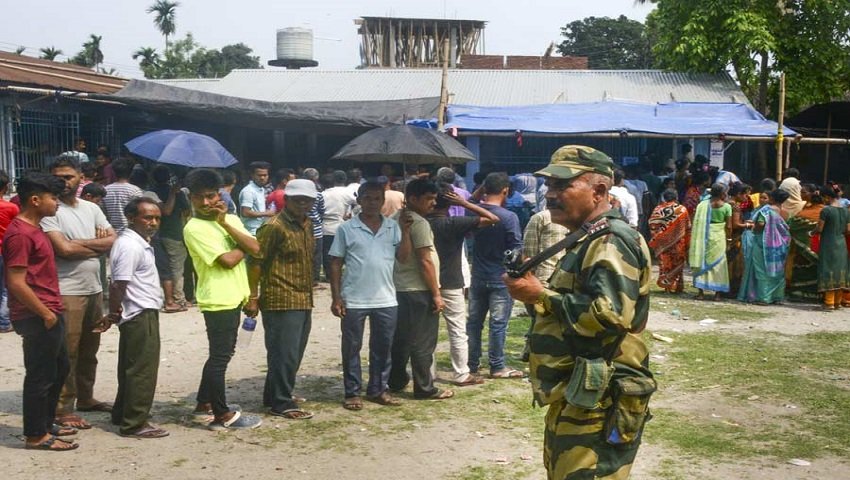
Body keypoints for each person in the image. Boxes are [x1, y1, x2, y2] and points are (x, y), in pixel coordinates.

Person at [503, 145, 654, 480]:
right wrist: (535, 295)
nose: (549, 194)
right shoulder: (587, 238)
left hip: (600, 400)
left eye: (562, 185)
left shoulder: (611, 241)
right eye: (548, 185)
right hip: (580, 393)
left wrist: (541, 294)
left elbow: (611, 316)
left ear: (598, 191)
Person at [183, 168, 262, 430]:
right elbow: (229, 260)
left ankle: (203, 403)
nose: (205, 203)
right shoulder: (193, 228)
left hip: (235, 296)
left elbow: (257, 248)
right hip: (217, 299)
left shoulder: (229, 219)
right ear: (191, 198)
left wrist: (225, 224)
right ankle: (222, 414)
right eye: (199, 197)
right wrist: (243, 245)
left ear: (219, 195)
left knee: (221, 354)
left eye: (210, 196)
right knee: (220, 357)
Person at [4, 173, 79, 450]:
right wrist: (45, 313)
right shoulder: (20, 234)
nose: (57, 203)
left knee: (59, 368)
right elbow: (15, 282)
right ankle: (36, 435)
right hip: (35, 314)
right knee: (41, 375)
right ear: (35, 200)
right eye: (53, 198)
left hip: (49, 309)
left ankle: (46, 424)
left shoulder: (37, 229)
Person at [42, 155, 116, 429]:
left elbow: (113, 240)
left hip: (94, 288)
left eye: (68, 177)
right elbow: (63, 250)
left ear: (81, 178)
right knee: (67, 351)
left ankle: (86, 397)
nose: (63, 182)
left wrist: (81, 244)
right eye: (58, 177)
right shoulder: (50, 210)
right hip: (67, 290)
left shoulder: (91, 208)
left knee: (89, 349)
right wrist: (96, 244)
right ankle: (63, 408)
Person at [329, 182, 413, 410]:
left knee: (383, 347)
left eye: (377, 199)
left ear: (383, 201)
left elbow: (403, 258)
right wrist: (336, 297)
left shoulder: (393, 227)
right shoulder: (347, 228)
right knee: (351, 347)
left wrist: (406, 231)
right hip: (354, 298)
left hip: (386, 298)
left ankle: (378, 389)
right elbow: (335, 263)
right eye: (368, 198)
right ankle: (352, 392)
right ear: (359, 200)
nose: (373, 203)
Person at [244, 179, 318, 420]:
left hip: (303, 296)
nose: (303, 205)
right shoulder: (273, 226)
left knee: (293, 352)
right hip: (280, 297)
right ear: (286, 200)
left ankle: (275, 394)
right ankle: (281, 402)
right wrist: (253, 296)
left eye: (308, 201)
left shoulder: (307, 224)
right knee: (284, 353)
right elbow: (256, 261)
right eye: (298, 200)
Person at [99, 197, 169, 438]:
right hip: (139, 313)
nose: (153, 223)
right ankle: (135, 423)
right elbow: (118, 284)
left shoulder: (137, 242)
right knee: (142, 370)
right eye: (147, 217)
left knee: (131, 367)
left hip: (140, 312)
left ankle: (122, 413)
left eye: (157, 218)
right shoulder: (130, 245)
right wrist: (113, 313)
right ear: (131, 218)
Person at [427, 182, 499, 386]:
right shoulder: (455, 223)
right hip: (451, 281)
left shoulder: (422, 223)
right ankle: (461, 373)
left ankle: (428, 374)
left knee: (427, 332)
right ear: (450, 203)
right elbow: (492, 218)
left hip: (427, 281)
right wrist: (465, 203)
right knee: (457, 330)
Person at [388, 179, 453, 400]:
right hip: (418, 289)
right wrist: (436, 294)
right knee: (423, 342)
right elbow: (425, 261)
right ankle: (424, 387)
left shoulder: (394, 219)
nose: (433, 203)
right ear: (413, 199)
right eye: (429, 198)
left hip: (399, 288)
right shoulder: (418, 223)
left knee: (401, 339)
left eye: (435, 198)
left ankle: (396, 380)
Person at [468, 172, 524, 379]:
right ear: (505, 191)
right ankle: (497, 366)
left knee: (474, 324)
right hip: (500, 277)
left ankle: (471, 364)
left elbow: (469, 202)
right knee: (498, 325)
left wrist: (479, 192)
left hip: (478, 275)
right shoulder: (509, 217)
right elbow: (516, 248)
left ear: (483, 189)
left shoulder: (474, 212)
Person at [519, 206, 569, 361]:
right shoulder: (576, 217)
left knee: (540, 319)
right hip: (563, 280)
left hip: (543, 282)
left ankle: (534, 351)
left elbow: (529, 254)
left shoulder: (540, 218)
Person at [738, 189, 791, 305]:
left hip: (764, 244)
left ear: (772, 198)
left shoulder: (766, 210)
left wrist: (754, 228)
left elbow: (761, 224)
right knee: (777, 270)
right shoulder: (786, 212)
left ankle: (764, 298)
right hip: (780, 246)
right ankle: (777, 296)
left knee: (761, 270)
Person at [150, 166, 191, 311]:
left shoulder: (151, 192)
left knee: (163, 266)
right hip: (174, 234)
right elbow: (186, 211)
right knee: (176, 267)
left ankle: (166, 296)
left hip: (157, 234)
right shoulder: (176, 193)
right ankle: (178, 298)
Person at [689, 184, 733, 300]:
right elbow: (729, 226)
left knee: (702, 260)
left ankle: (700, 293)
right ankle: (717, 295)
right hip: (719, 237)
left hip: (703, 236)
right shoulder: (727, 207)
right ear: (722, 194)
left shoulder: (702, 205)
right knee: (719, 263)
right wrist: (729, 240)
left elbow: (695, 220)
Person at [813, 186, 850, 310]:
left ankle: (829, 302)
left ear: (827, 197)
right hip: (841, 244)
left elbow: (820, 229)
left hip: (828, 243)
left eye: (823, 197)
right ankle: (837, 302)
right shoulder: (846, 211)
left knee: (828, 269)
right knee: (840, 270)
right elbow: (848, 230)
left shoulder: (826, 210)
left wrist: (811, 232)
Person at [785, 184, 824, 301]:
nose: (801, 194)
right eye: (801, 192)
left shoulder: (809, 212)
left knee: (805, 268)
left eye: (804, 192)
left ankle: (801, 294)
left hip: (806, 248)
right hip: (818, 248)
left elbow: (793, 226)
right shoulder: (808, 209)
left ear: (812, 194)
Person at [648, 189, 691, 294]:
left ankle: (667, 287)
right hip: (678, 242)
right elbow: (687, 227)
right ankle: (678, 287)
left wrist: (657, 237)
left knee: (665, 264)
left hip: (662, 243)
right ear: (676, 197)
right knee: (678, 263)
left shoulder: (658, 209)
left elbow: (652, 224)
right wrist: (688, 242)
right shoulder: (681, 209)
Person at [321, 171, 357, 282]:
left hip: (325, 227)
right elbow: (359, 202)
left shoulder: (323, 194)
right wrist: (353, 214)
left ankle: (329, 276)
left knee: (327, 253)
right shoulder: (346, 192)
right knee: (345, 252)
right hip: (341, 225)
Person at [727, 183, 755, 296]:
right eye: (745, 195)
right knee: (735, 263)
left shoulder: (726, 203)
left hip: (726, 237)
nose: (746, 198)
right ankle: (732, 290)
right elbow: (735, 224)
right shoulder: (735, 207)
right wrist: (748, 225)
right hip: (735, 238)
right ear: (739, 194)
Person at [0, 170, 20, 333]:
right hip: (5, 252)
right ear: (6, 187)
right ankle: (4, 322)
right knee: (7, 287)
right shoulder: (11, 208)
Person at [102, 157, 142, 234]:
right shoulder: (135, 190)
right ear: (131, 173)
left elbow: (103, 213)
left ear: (114, 172)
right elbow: (140, 212)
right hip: (130, 232)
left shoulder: (105, 190)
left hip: (111, 232)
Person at [239, 161, 275, 235]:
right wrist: (267, 213)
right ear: (252, 175)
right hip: (251, 232)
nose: (262, 178)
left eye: (265, 175)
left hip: (261, 229)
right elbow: (245, 212)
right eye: (259, 175)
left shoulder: (261, 189)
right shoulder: (248, 191)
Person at [303, 168, 325, 283]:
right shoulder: (318, 194)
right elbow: (322, 210)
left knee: (305, 253)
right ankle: (314, 278)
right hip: (316, 228)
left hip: (301, 228)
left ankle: (304, 276)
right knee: (316, 255)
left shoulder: (298, 194)